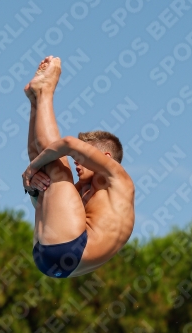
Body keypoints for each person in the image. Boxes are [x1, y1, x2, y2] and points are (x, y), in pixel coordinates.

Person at [22, 55, 135, 278]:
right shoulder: (84, 192)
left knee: (56, 165)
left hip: (69, 248)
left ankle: (46, 91)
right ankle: (36, 100)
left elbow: (69, 145)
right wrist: (33, 184)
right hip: (52, 256)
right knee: (48, 169)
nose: (77, 162)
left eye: (85, 156)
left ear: (105, 157)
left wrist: (31, 168)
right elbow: (41, 205)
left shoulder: (118, 178)